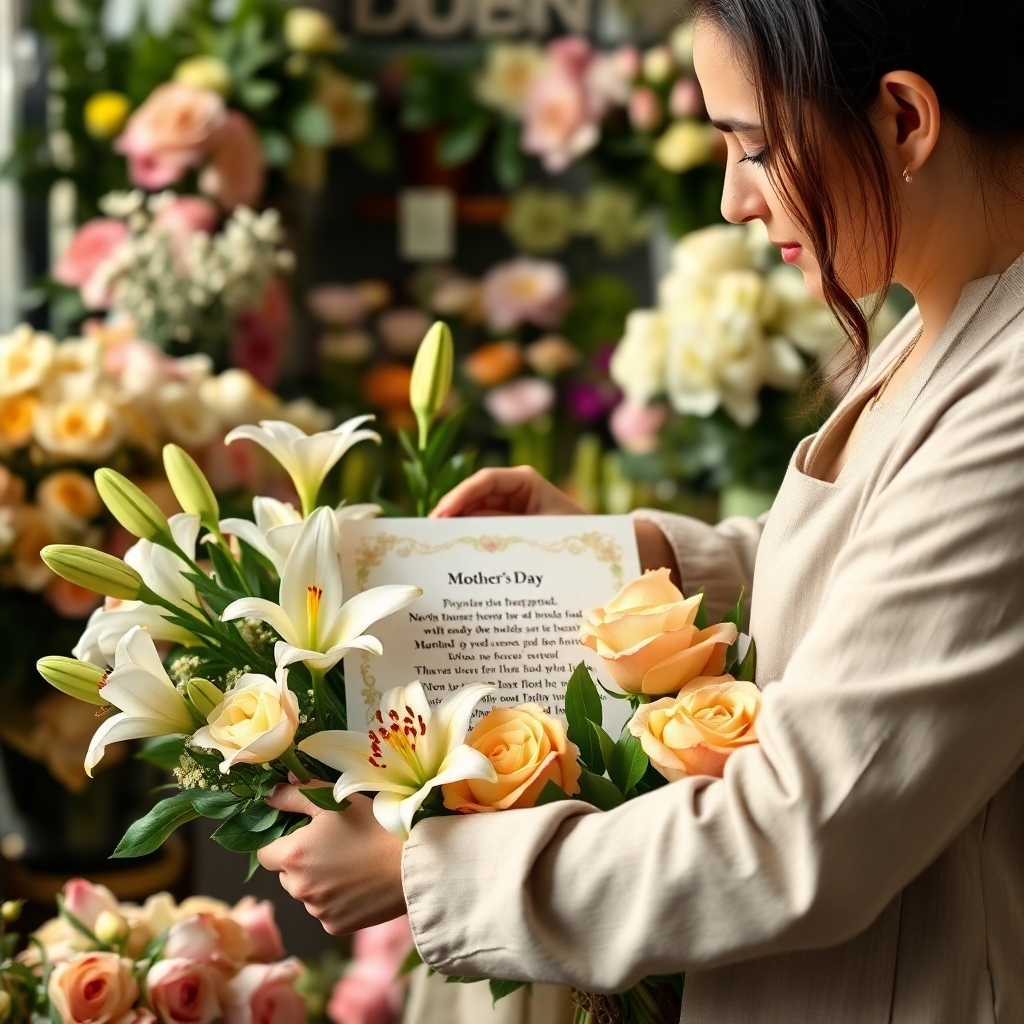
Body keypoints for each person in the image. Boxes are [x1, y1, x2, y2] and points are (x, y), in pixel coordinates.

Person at [258, 0, 1024, 1019]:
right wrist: (625, 553)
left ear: (902, 119)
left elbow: (796, 836)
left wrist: (426, 872)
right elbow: (886, 580)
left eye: (752, 149)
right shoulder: (941, 321)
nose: (730, 201)